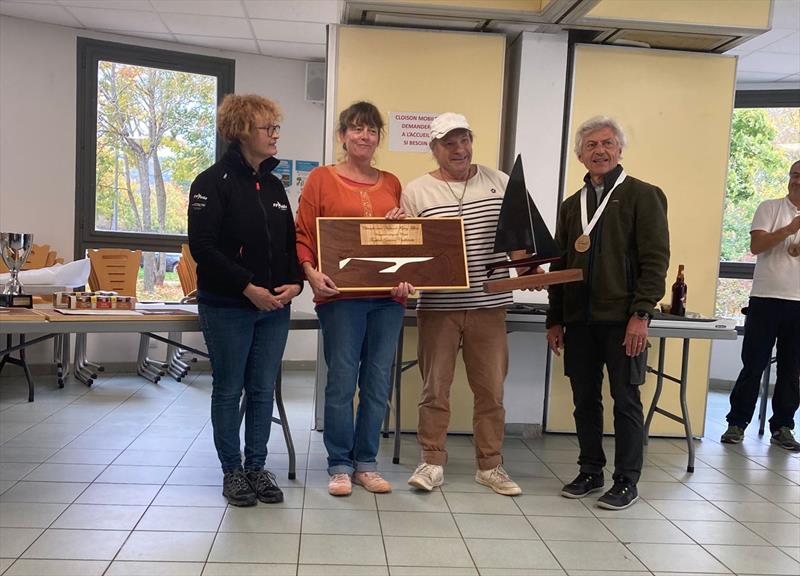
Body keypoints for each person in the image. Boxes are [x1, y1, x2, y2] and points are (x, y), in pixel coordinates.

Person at [547, 116, 669, 510]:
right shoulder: (571, 206)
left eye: (607, 144)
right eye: (591, 146)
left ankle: (626, 480)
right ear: (580, 155)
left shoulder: (643, 195)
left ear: (619, 150)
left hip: (622, 320)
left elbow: (655, 261)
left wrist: (641, 314)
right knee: (584, 399)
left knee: (625, 399)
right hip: (580, 319)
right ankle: (590, 470)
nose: (599, 151)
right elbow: (559, 266)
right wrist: (555, 318)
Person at [188, 94, 303, 507]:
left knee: (261, 390)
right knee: (228, 389)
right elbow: (202, 248)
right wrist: (247, 288)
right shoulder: (210, 182)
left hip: (274, 308)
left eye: (276, 128)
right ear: (240, 132)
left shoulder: (273, 185)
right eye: (266, 128)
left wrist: (295, 284)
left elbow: (289, 245)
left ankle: (257, 467)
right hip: (229, 306)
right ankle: (232, 472)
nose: (275, 135)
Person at [295, 101, 413, 497]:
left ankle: (367, 463)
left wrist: (404, 275)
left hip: (387, 300)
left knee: (378, 382)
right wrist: (311, 274)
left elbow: (402, 243)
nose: (365, 136)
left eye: (372, 130)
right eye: (357, 129)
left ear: (379, 137)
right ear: (343, 134)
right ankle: (340, 465)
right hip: (341, 298)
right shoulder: (320, 180)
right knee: (342, 381)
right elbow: (303, 235)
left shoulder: (392, 182)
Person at [402, 112, 523, 496]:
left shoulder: (501, 182)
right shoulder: (416, 191)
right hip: (437, 307)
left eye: (464, 140)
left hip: (490, 305)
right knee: (434, 389)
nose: (459, 149)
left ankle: (490, 466)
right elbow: (405, 249)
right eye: (449, 143)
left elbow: (522, 238)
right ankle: (432, 462)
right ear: (434, 149)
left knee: (491, 391)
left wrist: (530, 267)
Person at [721, 160, 800, 451]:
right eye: (794, 175)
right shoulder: (770, 208)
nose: (797, 181)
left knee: (792, 370)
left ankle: (783, 427)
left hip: (798, 302)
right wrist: (790, 228)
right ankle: (736, 423)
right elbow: (757, 246)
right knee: (753, 364)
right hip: (766, 298)